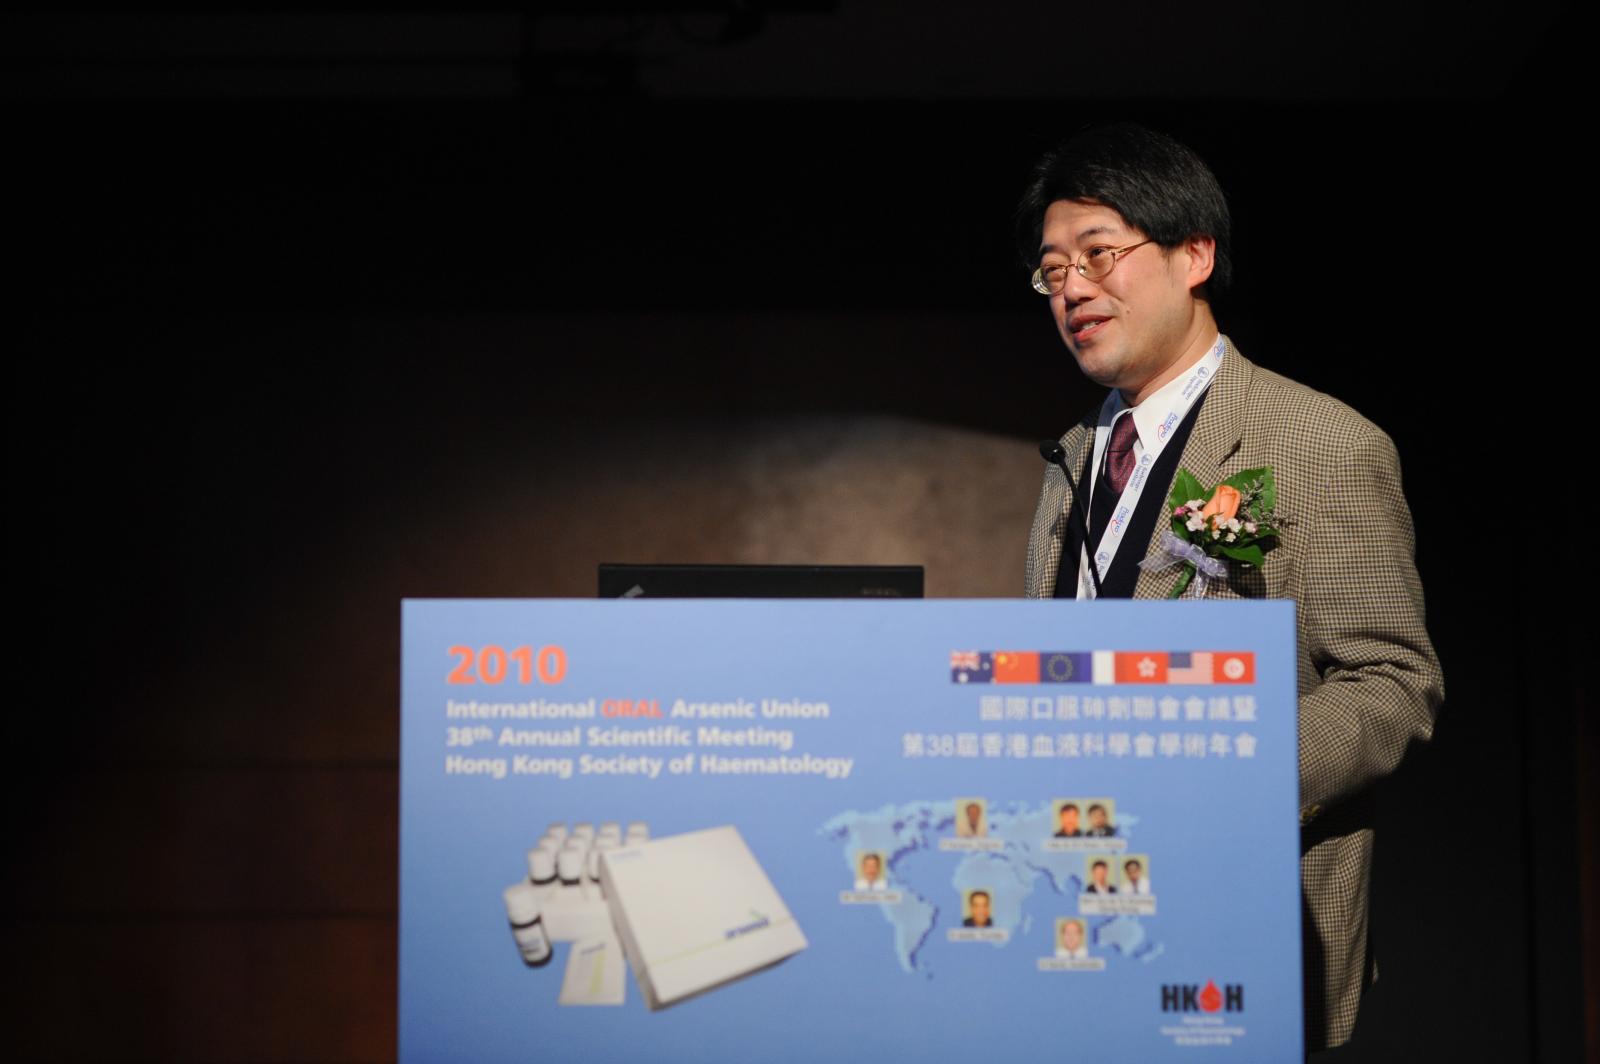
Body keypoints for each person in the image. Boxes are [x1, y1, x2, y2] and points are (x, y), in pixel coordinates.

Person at [1016, 123, 1444, 1051]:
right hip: (1086, 909)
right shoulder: (1074, 456)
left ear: (1195, 256)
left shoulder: (1321, 443)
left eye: (1099, 254)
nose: (1074, 289)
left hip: (1242, 909)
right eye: (1053, 271)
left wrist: (1229, 769)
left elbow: (1393, 683)